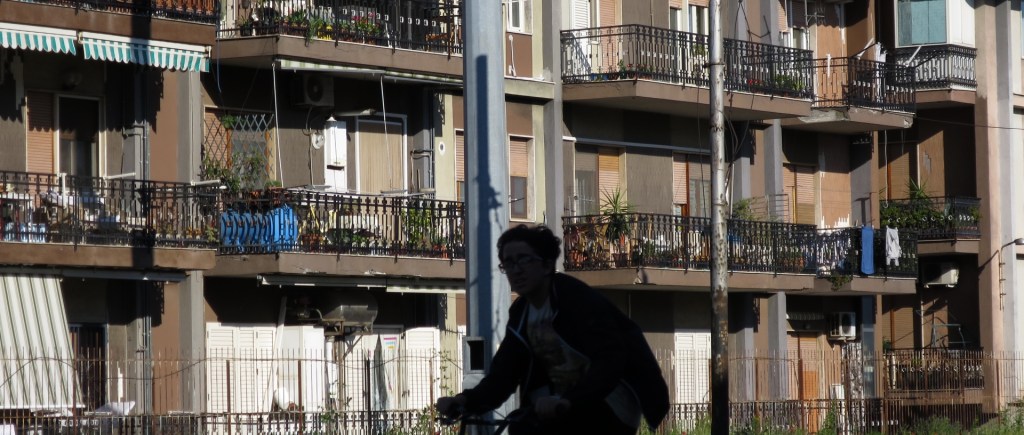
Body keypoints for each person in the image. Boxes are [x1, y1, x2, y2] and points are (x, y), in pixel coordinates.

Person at [436, 224, 670, 434]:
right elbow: (504, 374)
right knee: (521, 426)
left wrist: (570, 400)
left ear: (547, 264)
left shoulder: (576, 300)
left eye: (524, 260)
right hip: (563, 403)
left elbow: (611, 359)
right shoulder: (522, 314)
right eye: (508, 262)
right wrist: (465, 401)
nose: (516, 270)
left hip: (610, 402)